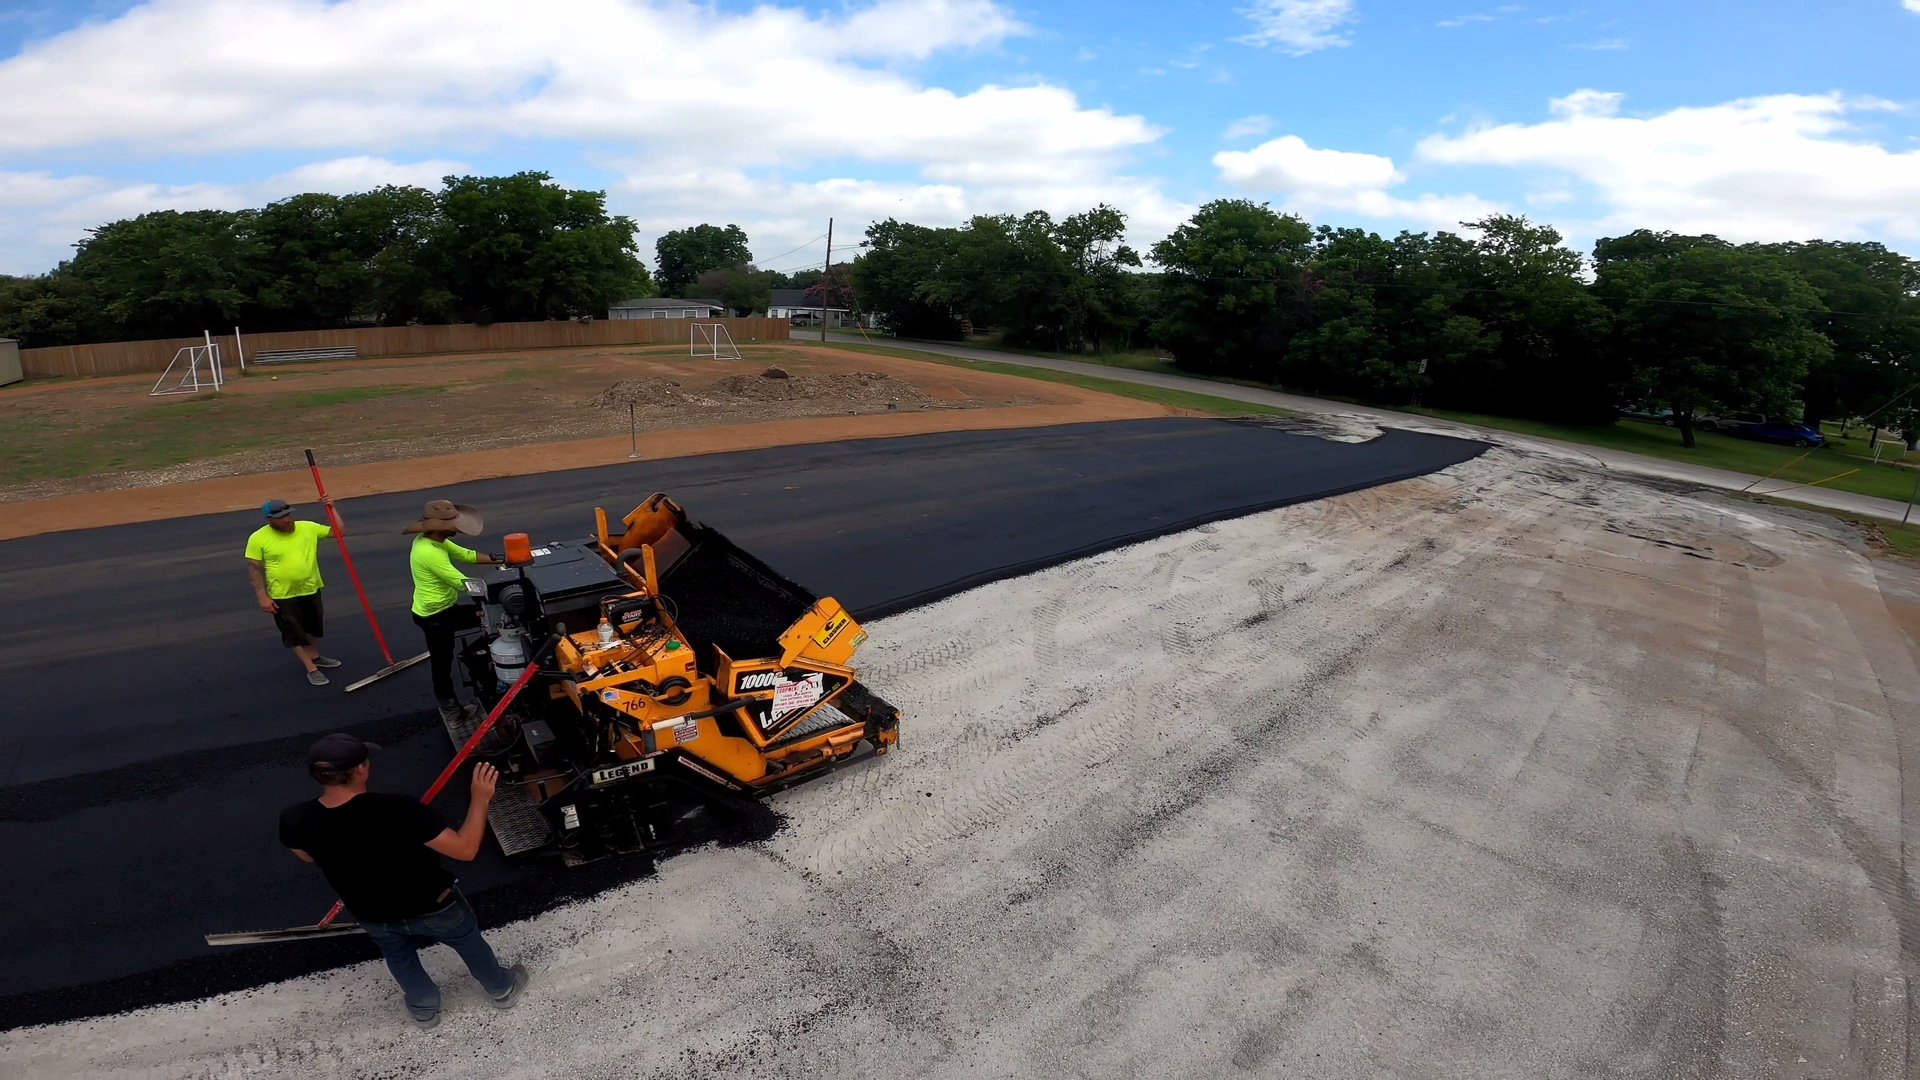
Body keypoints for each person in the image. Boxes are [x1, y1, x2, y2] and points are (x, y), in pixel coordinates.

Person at [279, 732, 529, 1028]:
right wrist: (480, 798)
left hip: (371, 911)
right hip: (435, 904)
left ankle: (424, 1009)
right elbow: (466, 849)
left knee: (399, 956)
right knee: (468, 941)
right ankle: (501, 988)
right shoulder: (399, 809)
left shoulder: (294, 818)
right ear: (361, 769)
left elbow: (308, 856)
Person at [404, 499, 502, 722]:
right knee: (442, 662)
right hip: (434, 616)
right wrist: (498, 588)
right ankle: (449, 706)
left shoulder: (435, 540)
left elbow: (467, 555)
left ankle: (479, 661)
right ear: (443, 527)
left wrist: (501, 559)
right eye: (454, 524)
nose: (458, 527)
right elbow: (462, 583)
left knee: (489, 618)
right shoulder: (428, 552)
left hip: (445, 607)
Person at [246, 496, 345, 686]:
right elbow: (254, 569)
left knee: (313, 626)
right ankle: (311, 668)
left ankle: (314, 656)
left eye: (288, 514)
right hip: (282, 594)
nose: (287, 520)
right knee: (293, 631)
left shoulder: (307, 527)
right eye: (281, 517)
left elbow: (339, 532)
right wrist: (262, 596)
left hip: (311, 587)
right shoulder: (258, 538)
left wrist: (332, 509)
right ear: (269, 519)